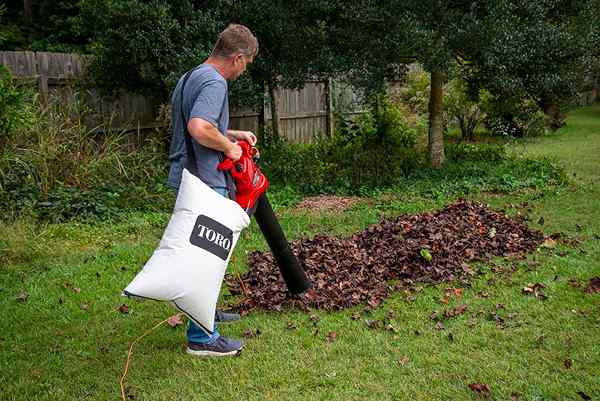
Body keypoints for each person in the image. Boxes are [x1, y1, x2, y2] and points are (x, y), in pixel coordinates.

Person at [167, 24, 259, 357]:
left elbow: (201, 124)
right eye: (245, 64)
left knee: (202, 254)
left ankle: (206, 312)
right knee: (206, 257)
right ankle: (202, 338)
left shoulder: (190, 76)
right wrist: (230, 149)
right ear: (237, 57)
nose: (243, 70)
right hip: (205, 181)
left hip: (189, 176)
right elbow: (198, 127)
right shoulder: (215, 82)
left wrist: (232, 134)